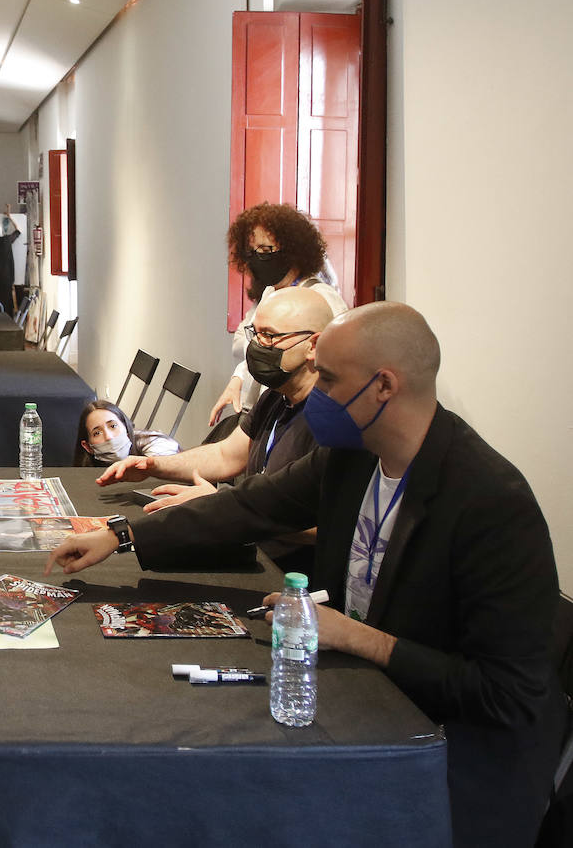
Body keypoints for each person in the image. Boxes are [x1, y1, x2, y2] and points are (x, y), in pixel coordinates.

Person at [46, 301, 565, 847]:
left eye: (330, 380)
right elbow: (247, 506)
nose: (315, 397)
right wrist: (121, 535)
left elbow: (506, 694)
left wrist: (359, 637)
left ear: (384, 385)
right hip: (368, 701)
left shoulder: (491, 502)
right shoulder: (355, 455)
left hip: (454, 759)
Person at [98, 287, 334, 511]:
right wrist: (153, 466)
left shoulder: (332, 420)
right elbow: (225, 456)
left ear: (313, 346)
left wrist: (222, 504)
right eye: (256, 333)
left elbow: (326, 525)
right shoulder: (276, 397)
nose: (258, 345)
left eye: (269, 336)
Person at [208, 203, 347, 425]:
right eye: (251, 252)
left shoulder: (322, 298)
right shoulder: (270, 292)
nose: (257, 259)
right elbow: (247, 347)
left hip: (304, 416)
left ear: (291, 250)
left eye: (265, 251)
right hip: (267, 413)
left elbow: (341, 364)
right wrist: (238, 379)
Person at [70, 400, 180, 468]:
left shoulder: (158, 445)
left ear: (126, 428)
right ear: (87, 446)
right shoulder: (87, 466)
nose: (109, 437)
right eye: (97, 433)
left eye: (113, 426)